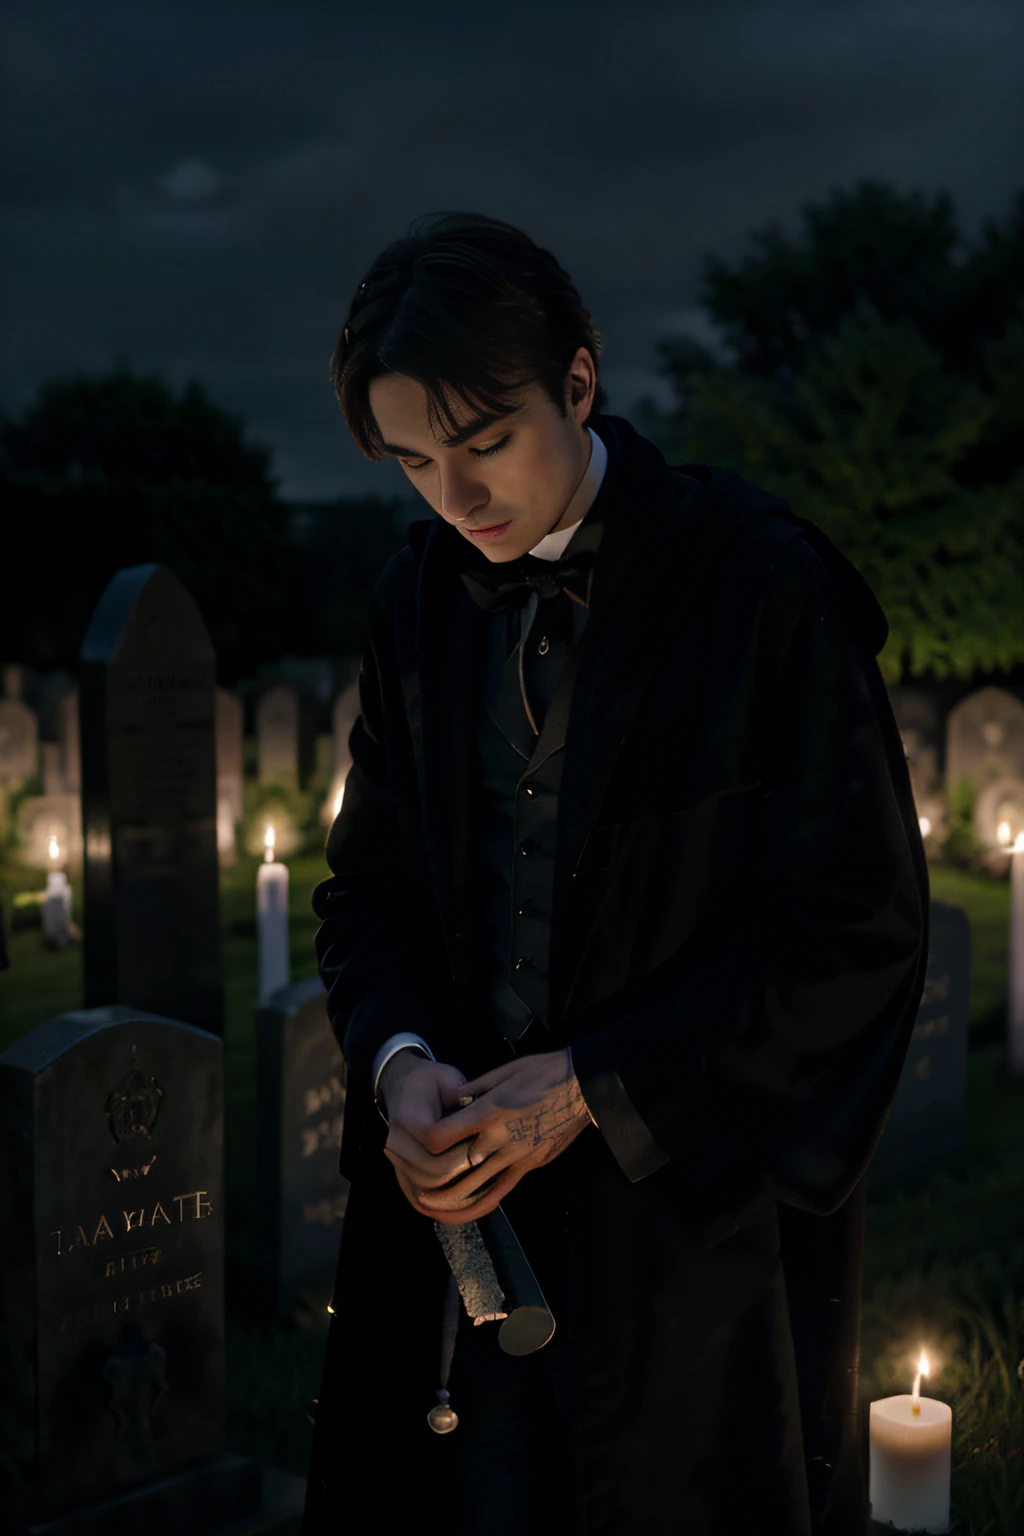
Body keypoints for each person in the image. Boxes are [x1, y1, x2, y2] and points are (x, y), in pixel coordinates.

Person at [302, 212, 929, 1536]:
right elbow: (368, 897)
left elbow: (856, 931)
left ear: (578, 382)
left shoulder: (762, 583)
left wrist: (594, 1089)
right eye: (415, 463)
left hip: (686, 1243)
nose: (456, 500)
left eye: (484, 446)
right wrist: (402, 1061)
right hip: (464, 1239)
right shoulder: (415, 599)